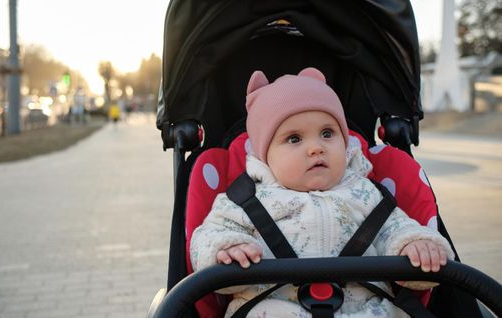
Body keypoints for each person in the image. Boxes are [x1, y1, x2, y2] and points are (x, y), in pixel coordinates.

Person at [190, 68, 454, 318]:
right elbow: (208, 236)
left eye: (327, 133)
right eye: (294, 139)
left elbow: (397, 229)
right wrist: (225, 249)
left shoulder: (368, 194)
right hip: (273, 308)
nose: (316, 147)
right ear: (264, 155)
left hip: (365, 309)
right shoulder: (244, 202)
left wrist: (416, 246)